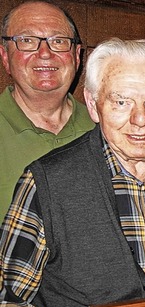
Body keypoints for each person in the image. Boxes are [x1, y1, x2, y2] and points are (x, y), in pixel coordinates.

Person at [0, 38, 145, 307]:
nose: (141, 119)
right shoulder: (45, 183)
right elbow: (10, 300)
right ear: (93, 105)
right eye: (122, 102)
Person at [0, 1, 95, 218]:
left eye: (58, 41)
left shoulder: (105, 128)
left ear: (78, 56)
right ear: (5, 56)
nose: (45, 53)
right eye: (27, 40)